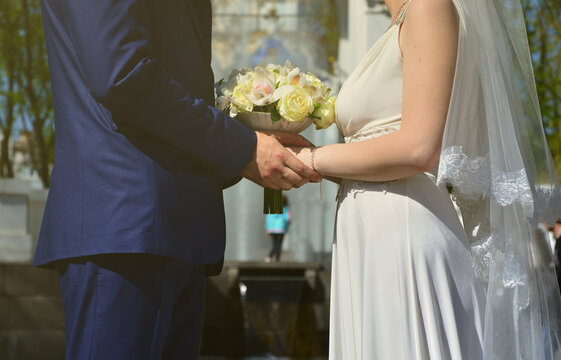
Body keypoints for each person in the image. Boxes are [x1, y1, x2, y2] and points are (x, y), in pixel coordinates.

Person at [33, 0, 321, 359]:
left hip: (173, 228)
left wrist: (253, 132)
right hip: (125, 225)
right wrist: (243, 149)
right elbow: (123, 76)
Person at [288, 0, 561, 358]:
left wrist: (310, 158)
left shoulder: (428, 6)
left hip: (402, 234)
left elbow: (419, 148)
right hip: (372, 231)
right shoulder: (400, 22)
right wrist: (300, 161)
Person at [264, 196, 292, 263]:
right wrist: (287, 226)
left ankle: (270, 257)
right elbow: (288, 219)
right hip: (281, 229)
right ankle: (275, 258)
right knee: (278, 245)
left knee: (274, 244)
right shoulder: (286, 209)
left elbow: (268, 219)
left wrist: (268, 229)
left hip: (272, 229)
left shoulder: (272, 209)